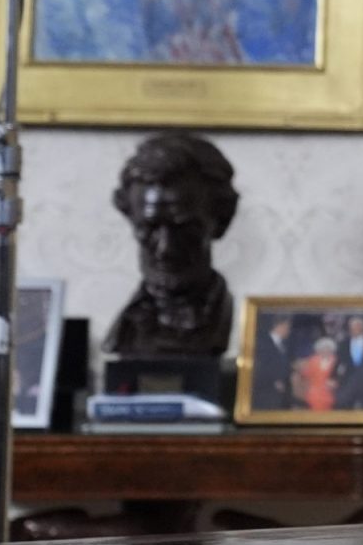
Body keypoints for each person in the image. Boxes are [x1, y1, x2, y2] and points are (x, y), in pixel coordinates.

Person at [103, 133, 240, 357]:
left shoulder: (238, 322)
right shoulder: (126, 329)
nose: (165, 249)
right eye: (149, 228)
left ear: (221, 221)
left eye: (184, 229)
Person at [252, 316, 296, 412]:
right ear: (279, 326)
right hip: (266, 392)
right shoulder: (262, 343)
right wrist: (273, 381)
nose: (288, 331)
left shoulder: (283, 345)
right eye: (287, 327)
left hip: (281, 394)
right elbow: (260, 367)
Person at [298, 337, 338, 412]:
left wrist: (335, 383)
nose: (325, 351)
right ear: (318, 350)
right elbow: (305, 374)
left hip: (331, 393)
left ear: (332, 350)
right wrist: (302, 369)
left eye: (328, 349)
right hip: (315, 393)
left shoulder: (336, 360)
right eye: (323, 349)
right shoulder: (313, 360)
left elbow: (340, 376)